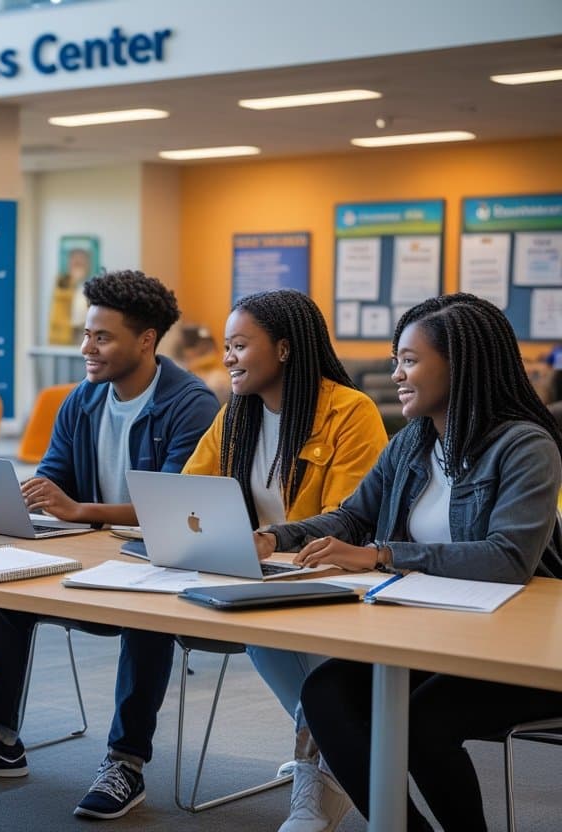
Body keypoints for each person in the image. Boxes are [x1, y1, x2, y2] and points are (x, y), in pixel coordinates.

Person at [0, 270, 220, 820]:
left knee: (147, 612)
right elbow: (55, 476)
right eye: (87, 334)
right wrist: (24, 499)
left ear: (147, 341)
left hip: (161, 563)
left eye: (101, 337)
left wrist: (81, 511)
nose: (86, 347)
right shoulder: (83, 399)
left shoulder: (191, 404)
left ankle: (125, 764)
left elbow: (178, 506)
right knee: (5, 584)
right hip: (91, 557)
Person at [262, 293, 562, 832]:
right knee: (326, 693)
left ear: (460, 364)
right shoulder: (411, 445)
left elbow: (509, 559)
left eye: (409, 359)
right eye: (396, 359)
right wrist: (272, 537)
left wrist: (381, 554)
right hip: (434, 635)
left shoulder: (525, 447)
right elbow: (350, 519)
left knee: (420, 722)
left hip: (520, 649)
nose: (395, 372)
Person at [181, 289, 387, 832]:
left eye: (240, 345)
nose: (227, 358)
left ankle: (325, 769)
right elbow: (188, 495)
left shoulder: (349, 411)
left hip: (336, 579)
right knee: (252, 621)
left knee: (272, 626)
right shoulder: (237, 415)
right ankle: (336, 755)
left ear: (286, 349)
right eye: (225, 346)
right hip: (266, 575)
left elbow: (348, 520)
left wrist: (272, 542)